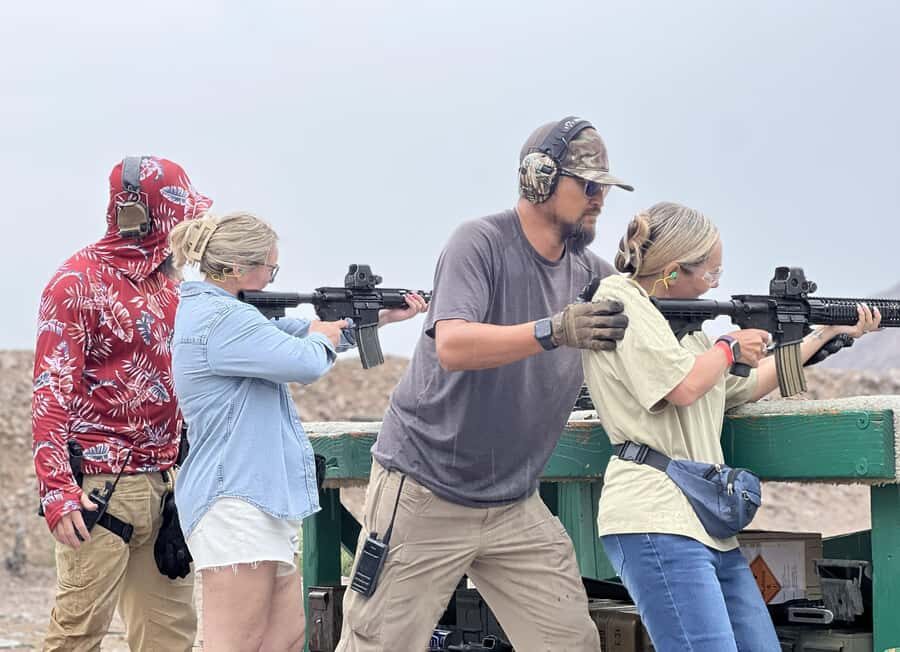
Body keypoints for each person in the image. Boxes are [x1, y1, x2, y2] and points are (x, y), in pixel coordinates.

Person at [337, 117, 633, 651]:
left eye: (604, 188)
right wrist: (554, 330)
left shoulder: (593, 273)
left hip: (513, 502)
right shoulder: (479, 243)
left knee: (570, 642)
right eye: (587, 186)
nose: (599, 200)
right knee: (378, 643)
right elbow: (453, 345)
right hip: (426, 490)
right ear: (539, 179)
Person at [582, 201, 881, 652]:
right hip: (656, 515)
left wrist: (821, 337)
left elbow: (739, 389)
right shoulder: (619, 298)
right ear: (673, 270)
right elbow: (681, 386)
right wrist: (728, 347)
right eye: (711, 274)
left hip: (706, 521)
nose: (713, 285)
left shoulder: (686, 329)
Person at [166, 211, 427, 652]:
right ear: (237, 268)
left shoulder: (230, 315)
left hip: (254, 498)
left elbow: (293, 334)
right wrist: (324, 337)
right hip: (235, 501)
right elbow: (304, 359)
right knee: (235, 643)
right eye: (270, 267)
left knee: (284, 636)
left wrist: (375, 318)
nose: (272, 276)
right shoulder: (221, 320)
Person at [32, 156, 212, 651]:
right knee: (77, 635)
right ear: (143, 217)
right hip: (98, 489)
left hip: (163, 485)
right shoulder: (76, 283)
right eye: (182, 218)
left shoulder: (170, 286)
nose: (189, 231)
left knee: (170, 636)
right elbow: (50, 390)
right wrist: (57, 491)